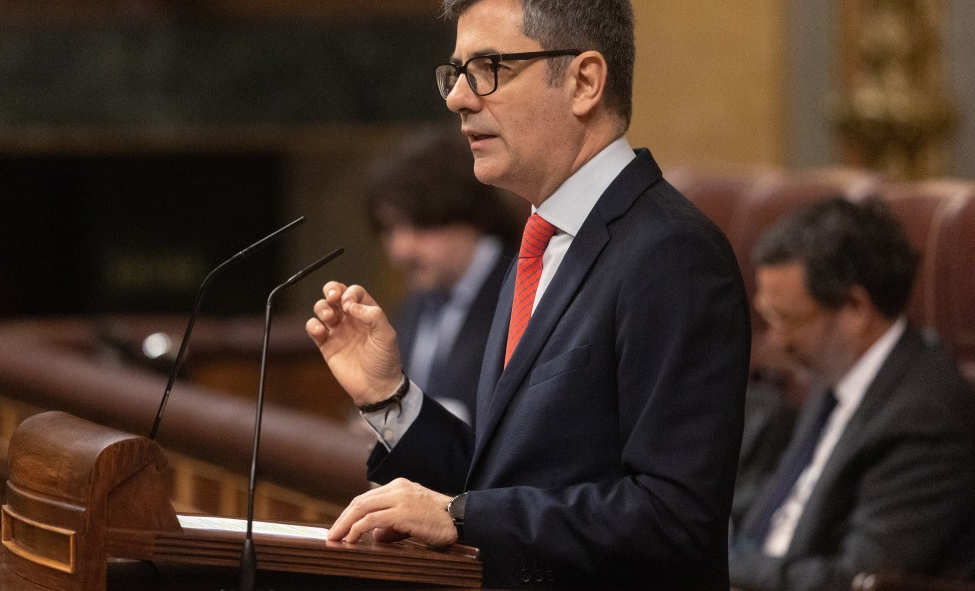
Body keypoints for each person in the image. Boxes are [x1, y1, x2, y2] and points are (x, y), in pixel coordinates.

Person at [306, 0, 751, 587]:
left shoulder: (672, 254)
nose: (458, 98)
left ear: (584, 81)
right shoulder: (541, 244)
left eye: (490, 67)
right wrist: (390, 399)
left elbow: (674, 516)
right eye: (456, 73)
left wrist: (461, 518)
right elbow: (503, 479)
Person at [729, 197, 975, 590]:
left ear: (856, 308)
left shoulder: (926, 416)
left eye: (785, 319)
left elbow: (857, 579)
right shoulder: (835, 376)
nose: (775, 341)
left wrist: (730, 567)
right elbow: (776, 509)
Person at [365, 126, 523, 424]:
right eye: (390, 229)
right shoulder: (416, 303)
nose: (401, 250)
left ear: (468, 212)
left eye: (421, 225)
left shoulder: (525, 291)